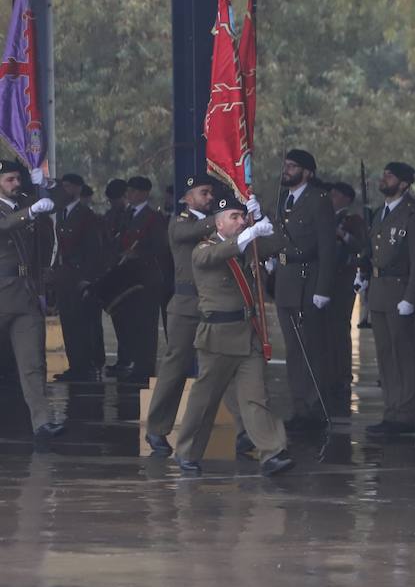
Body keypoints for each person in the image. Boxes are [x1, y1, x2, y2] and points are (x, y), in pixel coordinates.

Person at [173, 194, 293, 476]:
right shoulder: (203, 248)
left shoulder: (248, 245)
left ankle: (272, 452)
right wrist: (249, 233)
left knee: (255, 398)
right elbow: (217, 255)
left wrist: (261, 218)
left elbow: (278, 243)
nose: (240, 222)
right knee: (205, 400)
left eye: (242, 217)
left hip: (246, 334)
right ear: (218, 223)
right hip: (216, 338)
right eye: (234, 218)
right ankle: (187, 452)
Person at [145, 175, 250, 455]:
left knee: (222, 368)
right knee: (175, 368)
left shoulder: (217, 224)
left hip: (213, 306)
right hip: (187, 304)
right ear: (186, 198)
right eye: (203, 193)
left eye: (211, 193)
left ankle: (245, 431)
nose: (209, 198)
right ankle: (156, 428)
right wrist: (222, 216)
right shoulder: (180, 222)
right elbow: (188, 234)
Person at [362, 161, 415, 436]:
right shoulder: (381, 213)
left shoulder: (412, 214)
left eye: (389, 176)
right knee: (386, 356)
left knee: (403, 356)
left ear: (403, 183)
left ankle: (404, 414)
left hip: (400, 291)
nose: (384, 178)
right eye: (384, 173)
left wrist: (411, 298)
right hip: (379, 292)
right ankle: (390, 410)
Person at [273, 148, 337, 431]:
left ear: (307, 172)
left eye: (292, 166)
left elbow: (327, 247)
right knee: (293, 350)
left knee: (310, 350)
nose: (286, 170)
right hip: (286, 280)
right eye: (285, 165)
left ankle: (314, 409)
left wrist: (322, 288)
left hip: (307, 280)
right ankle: (299, 407)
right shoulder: (284, 199)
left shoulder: (318, 200)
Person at [0, 160, 62, 440]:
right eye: (9, 179)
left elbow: (59, 203)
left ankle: (42, 424)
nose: (16, 184)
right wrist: (32, 211)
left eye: (17, 179)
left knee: (33, 363)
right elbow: (5, 225)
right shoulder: (21, 209)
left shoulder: (25, 201)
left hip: (24, 294)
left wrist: (49, 186)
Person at [111, 174, 168, 382]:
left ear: (144, 193)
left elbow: (160, 247)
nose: (129, 195)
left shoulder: (153, 218)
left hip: (146, 278)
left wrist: (138, 253)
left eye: (133, 191)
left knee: (146, 325)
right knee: (130, 322)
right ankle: (134, 362)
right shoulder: (125, 214)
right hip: (127, 277)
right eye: (128, 191)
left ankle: (145, 367)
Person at [51, 173, 107, 383]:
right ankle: (75, 365)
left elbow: (93, 250)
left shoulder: (86, 215)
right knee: (68, 322)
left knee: (83, 323)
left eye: (67, 187)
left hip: (79, 276)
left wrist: (88, 278)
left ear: (77, 189)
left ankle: (86, 366)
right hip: (64, 277)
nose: (63, 190)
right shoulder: (59, 213)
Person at [327, 181, 365, 417]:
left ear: (345, 198)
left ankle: (342, 376)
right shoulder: (326, 217)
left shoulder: (352, 221)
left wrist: (341, 233)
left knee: (340, 330)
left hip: (343, 279)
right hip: (328, 279)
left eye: (335, 195)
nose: (331, 199)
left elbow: (359, 245)